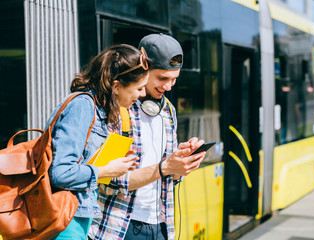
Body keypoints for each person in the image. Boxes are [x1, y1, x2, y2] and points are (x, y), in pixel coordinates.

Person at [89, 34, 205, 240]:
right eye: (162, 78)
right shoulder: (119, 106)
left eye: (174, 79)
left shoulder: (167, 110)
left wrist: (182, 163)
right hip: (120, 228)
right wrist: (165, 167)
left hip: (161, 226)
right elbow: (107, 180)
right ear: (143, 67)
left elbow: (170, 178)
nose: (169, 87)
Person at [46, 44, 151, 239]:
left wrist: (111, 160)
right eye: (139, 88)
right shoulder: (82, 107)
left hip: (76, 216)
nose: (143, 94)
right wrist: (107, 170)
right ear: (117, 86)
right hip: (64, 221)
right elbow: (61, 173)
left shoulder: (96, 108)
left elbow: (80, 162)